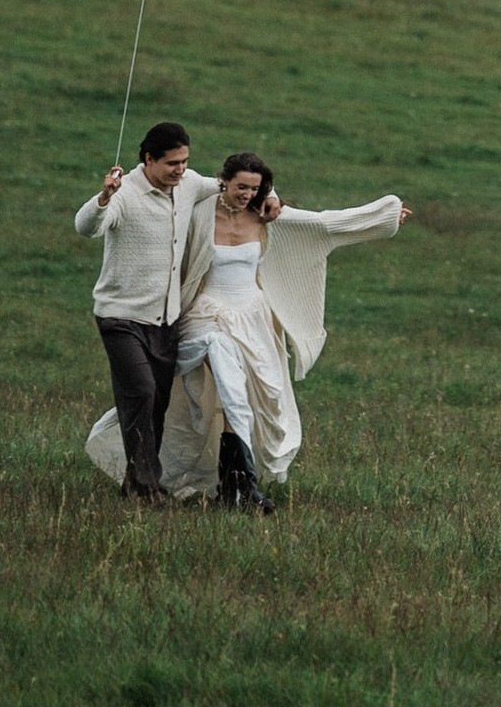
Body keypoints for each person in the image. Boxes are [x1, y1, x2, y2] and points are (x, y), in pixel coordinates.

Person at [84, 149, 408, 508]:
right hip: (207, 314)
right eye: (241, 187)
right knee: (225, 367)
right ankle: (239, 487)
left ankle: (235, 487)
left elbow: (322, 224)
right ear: (223, 181)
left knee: (244, 395)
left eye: (255, 189)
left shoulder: (267, 215)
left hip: (252, 315)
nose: (247, 195)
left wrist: (385, 216)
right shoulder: (199, 210)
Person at [73, 119, 217, 506]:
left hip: (165, 320)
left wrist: (269, 196)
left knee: (155, 403)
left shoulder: (188, 186)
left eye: (185, 161)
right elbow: (86, 227)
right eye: (172, 163)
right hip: (120, 317)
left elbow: (227, 185)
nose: (181, 170)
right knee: (141, 392)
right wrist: (103, 197)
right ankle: (146, 489)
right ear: (149, 159)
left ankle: (136, 482)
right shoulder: (125, 193)